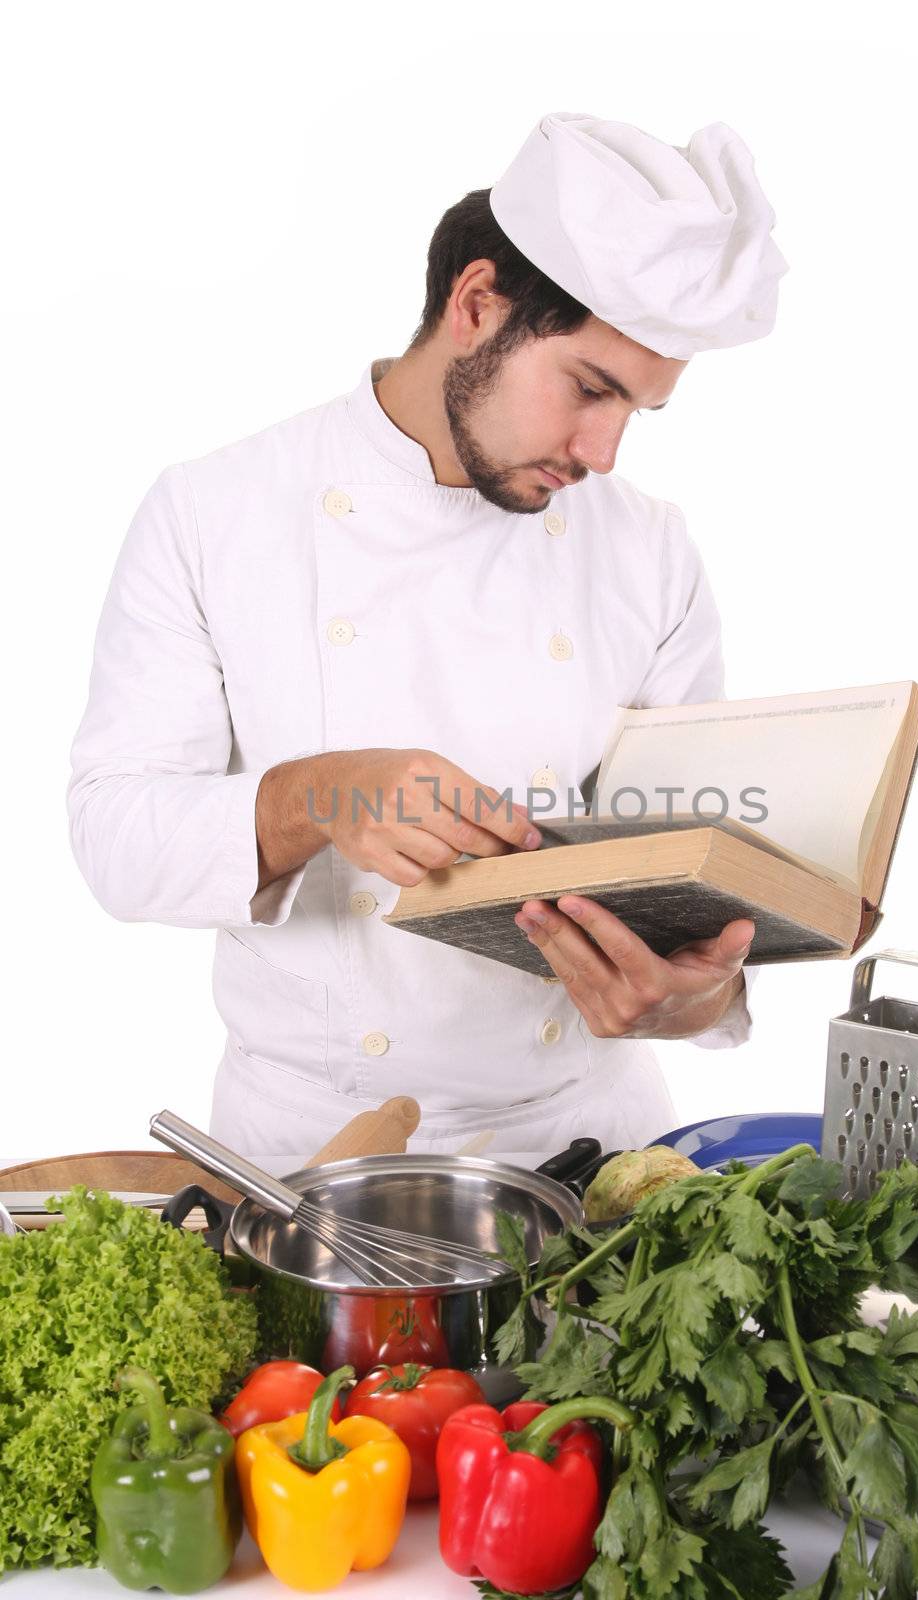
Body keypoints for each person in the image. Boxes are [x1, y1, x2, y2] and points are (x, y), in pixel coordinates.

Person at [67, 110, 788, 1160]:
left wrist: (691, 993)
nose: (603, 451)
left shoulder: (649, 551)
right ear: (475, 303)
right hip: (320, 1165)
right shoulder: (216, 511)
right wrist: (314, 794)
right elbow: (113, 837)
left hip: (593, 1153)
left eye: (637, 408)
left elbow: (683, 870)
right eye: (587, 387)